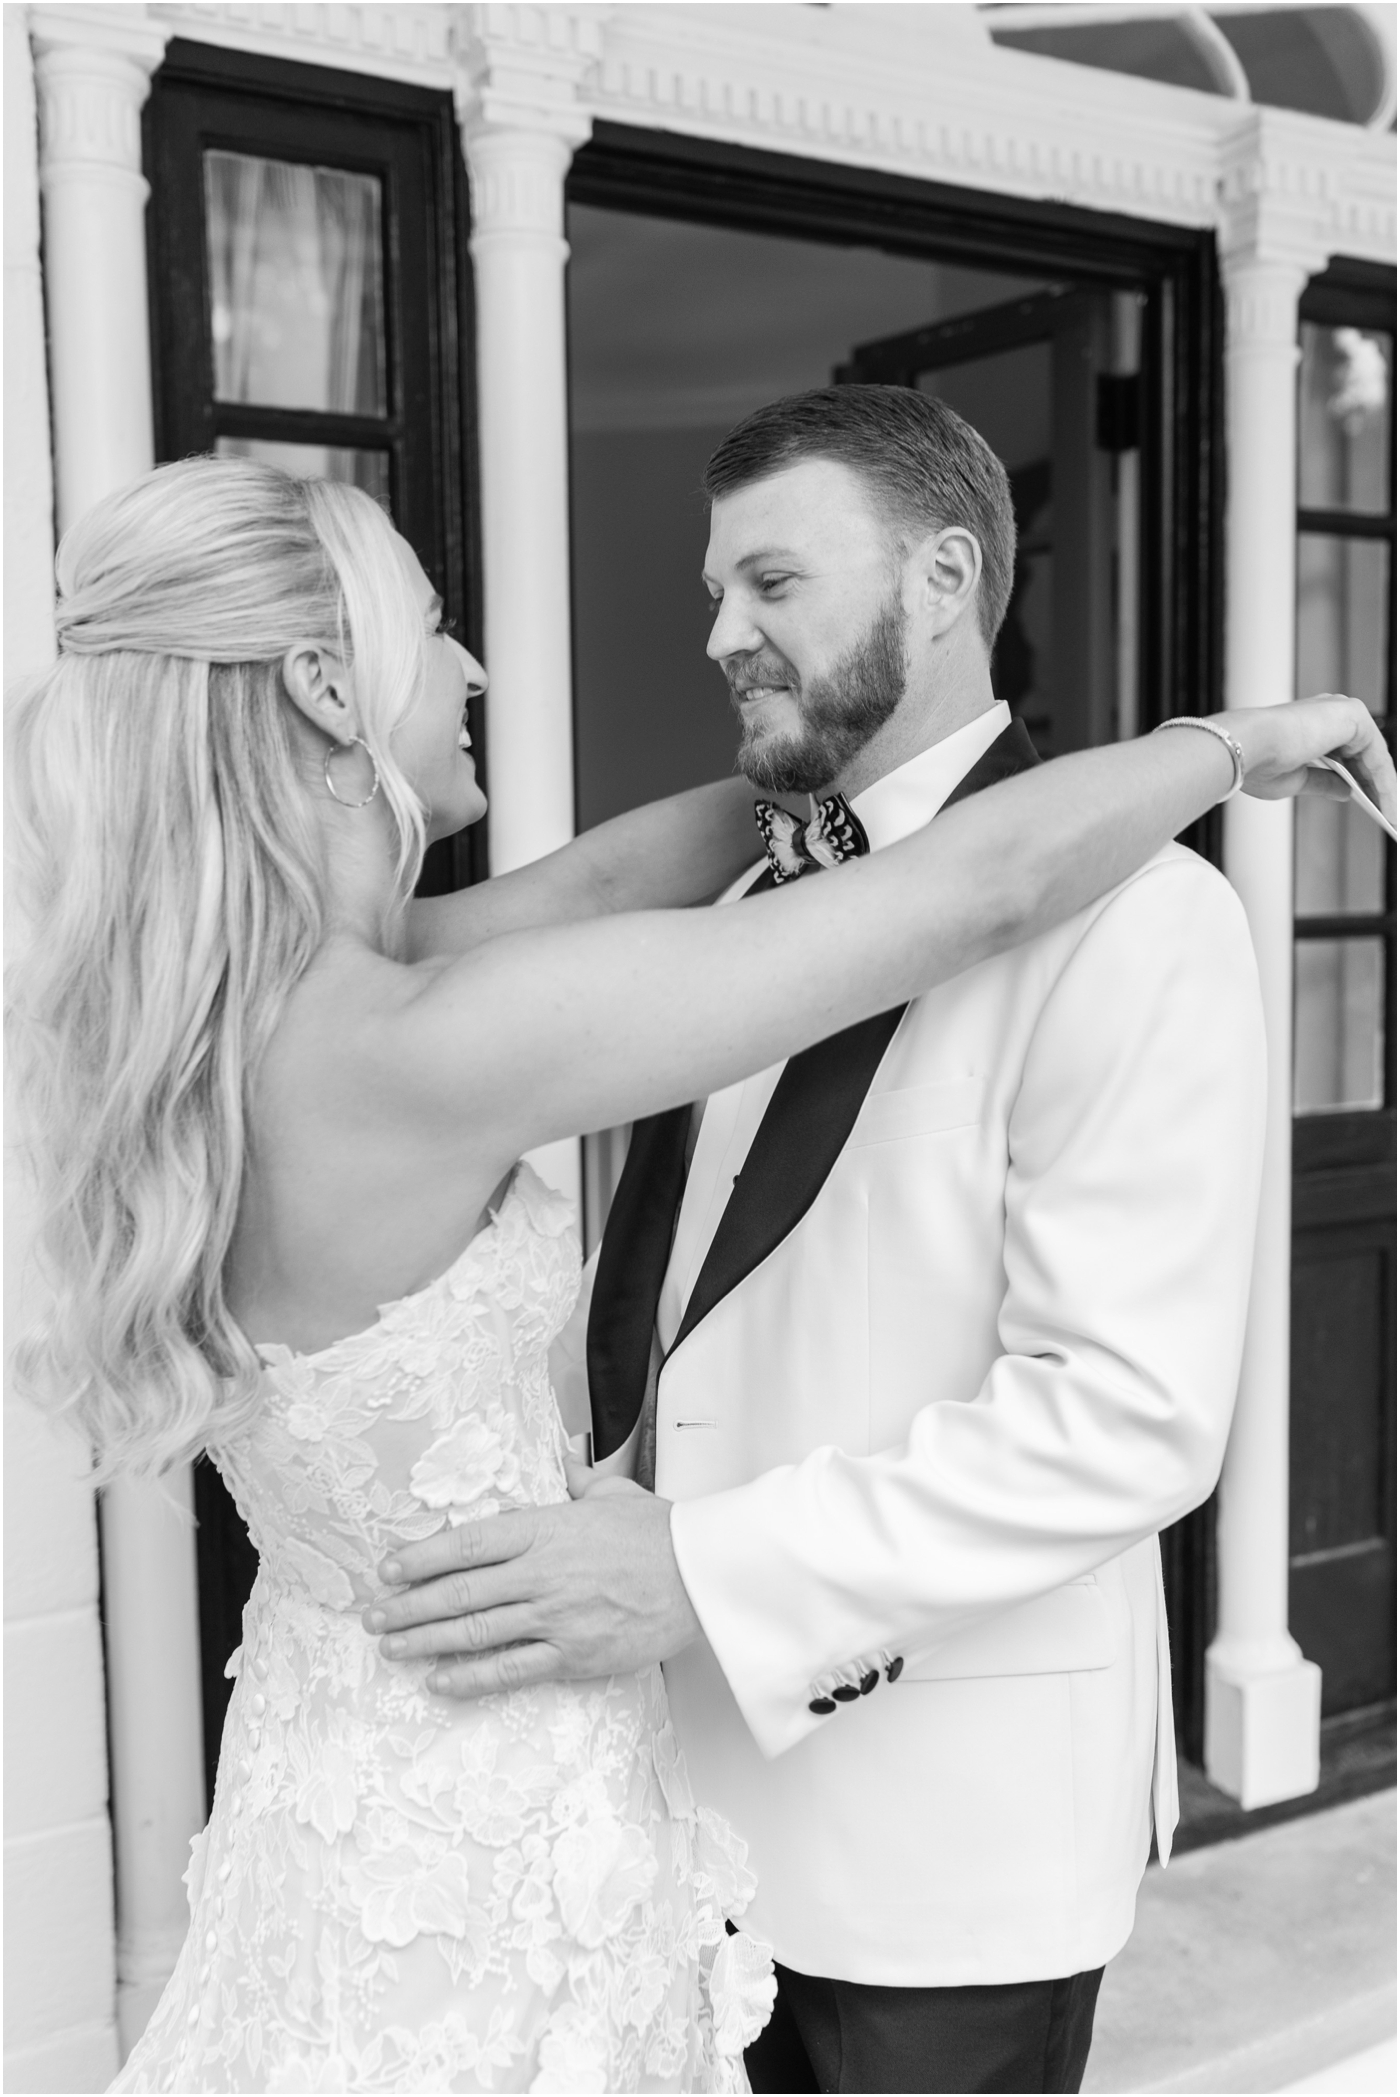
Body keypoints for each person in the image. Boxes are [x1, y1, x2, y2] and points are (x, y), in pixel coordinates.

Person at [7, 453, 1387, 2097]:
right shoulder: (418, 1038)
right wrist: (1232, 741)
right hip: (502, 1827)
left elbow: (603, 877)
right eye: (432, 629)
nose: (474, 670)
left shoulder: (252, 1003)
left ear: (943, 577)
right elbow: (977, 884)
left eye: (772, 588)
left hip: (364, 1799)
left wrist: (840, 740)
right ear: (324, 687)